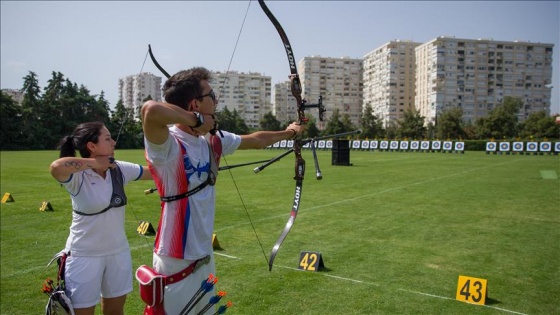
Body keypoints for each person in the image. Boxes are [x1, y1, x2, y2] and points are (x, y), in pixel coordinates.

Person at [140, 66, 305, 315]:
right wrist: (196, 121)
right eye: (211, 95)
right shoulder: (167, 145)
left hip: (203, 252)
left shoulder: (213, 139)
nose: (216, 100)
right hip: (176, 255)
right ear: (195, 104)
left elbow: (256, 140)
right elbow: (150, 110)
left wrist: (290, 132)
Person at [49, 121, 152, 315]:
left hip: (118, 253)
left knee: (115, 311)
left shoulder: (119, 168)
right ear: (91, 146)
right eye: (107, 139)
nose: (113, 142)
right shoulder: (78, 176)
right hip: (84, 256)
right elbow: (56, 167)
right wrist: (96, 163)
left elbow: (153, 173)